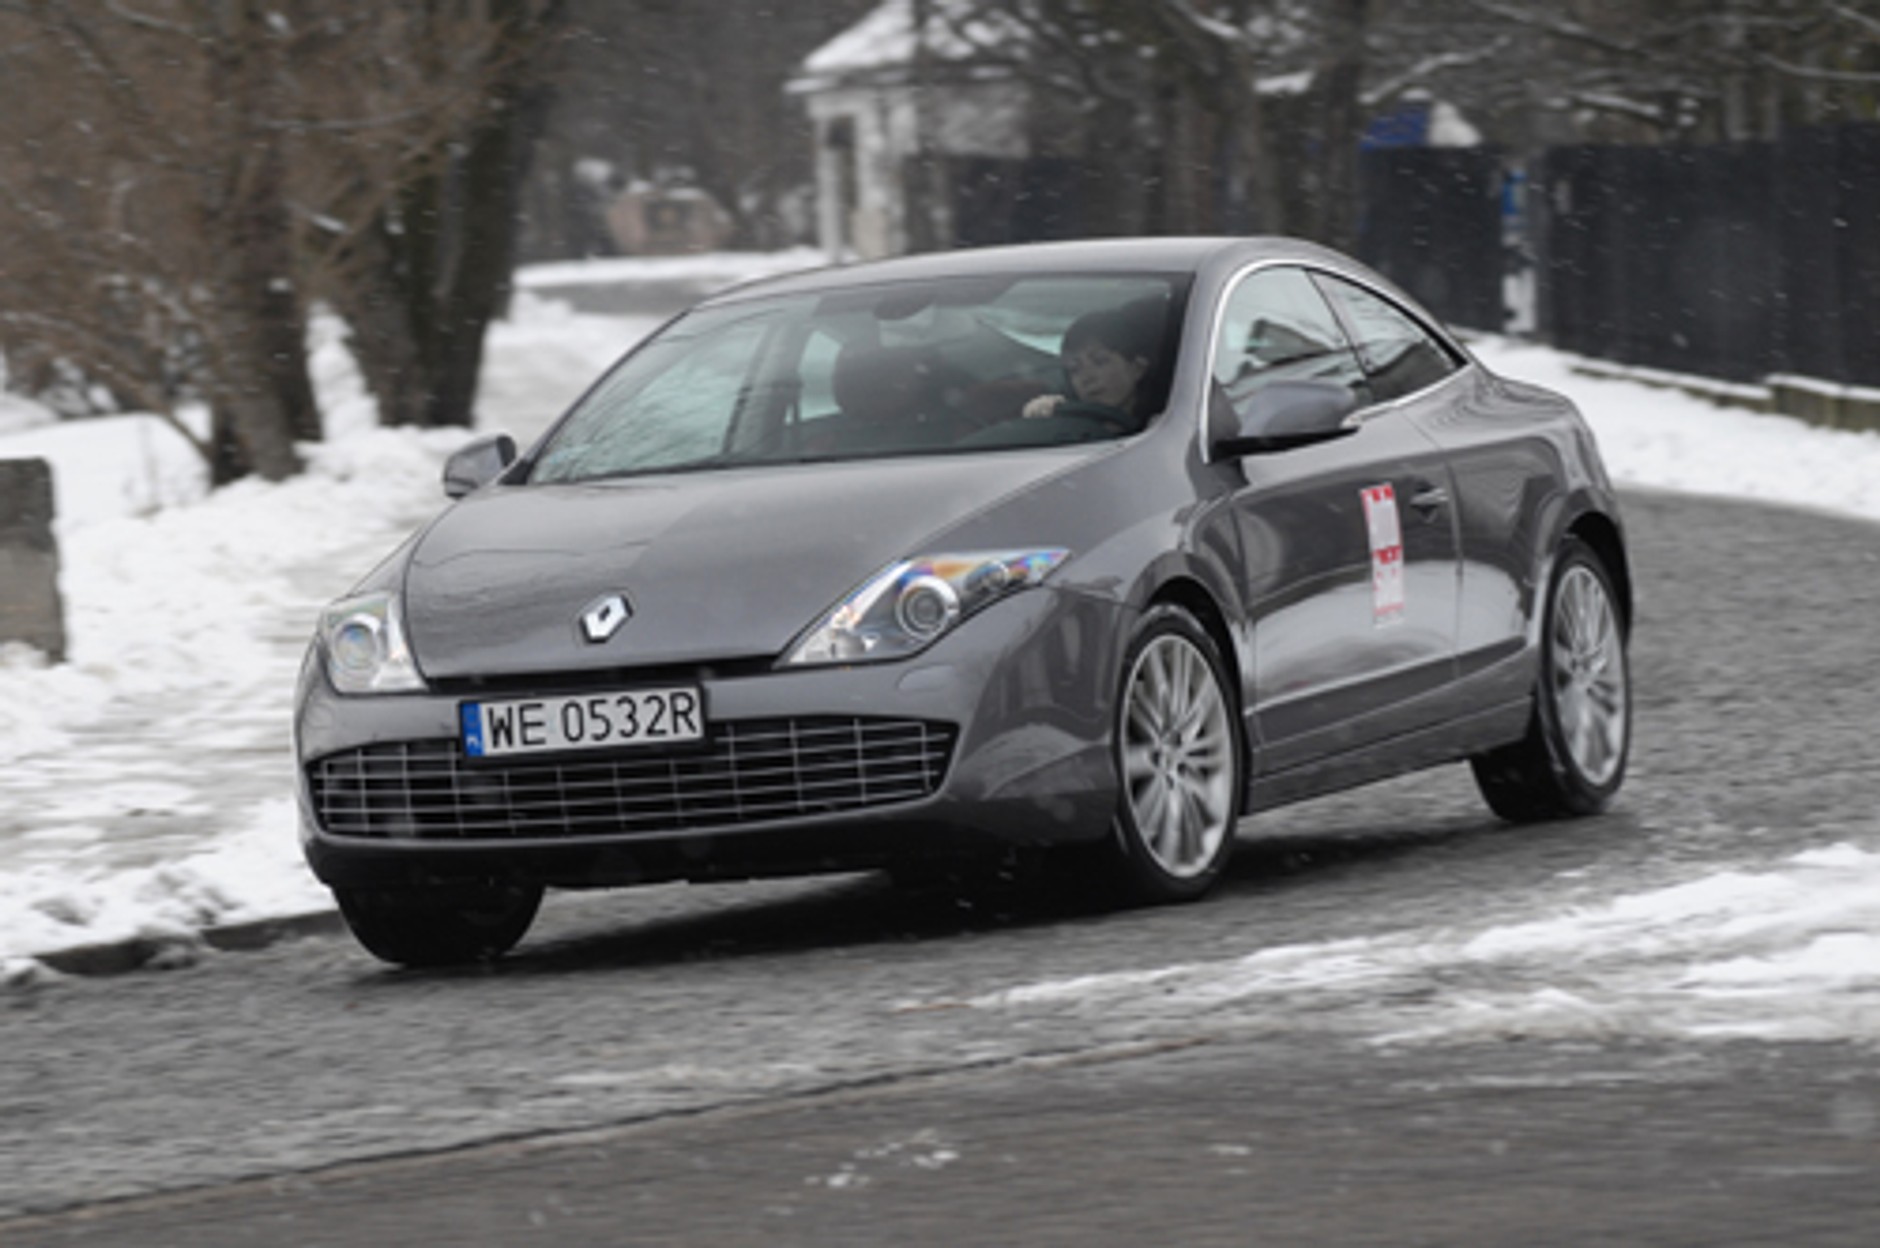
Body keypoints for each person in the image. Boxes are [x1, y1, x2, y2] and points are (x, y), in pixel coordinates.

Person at [1021, 300, 1166, 428]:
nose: (1087, 377)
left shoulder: (1166, 423)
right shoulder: (1069, 418)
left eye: (1100, 361)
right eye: (1075, 369)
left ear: (1137, 368)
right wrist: (1046, 410)